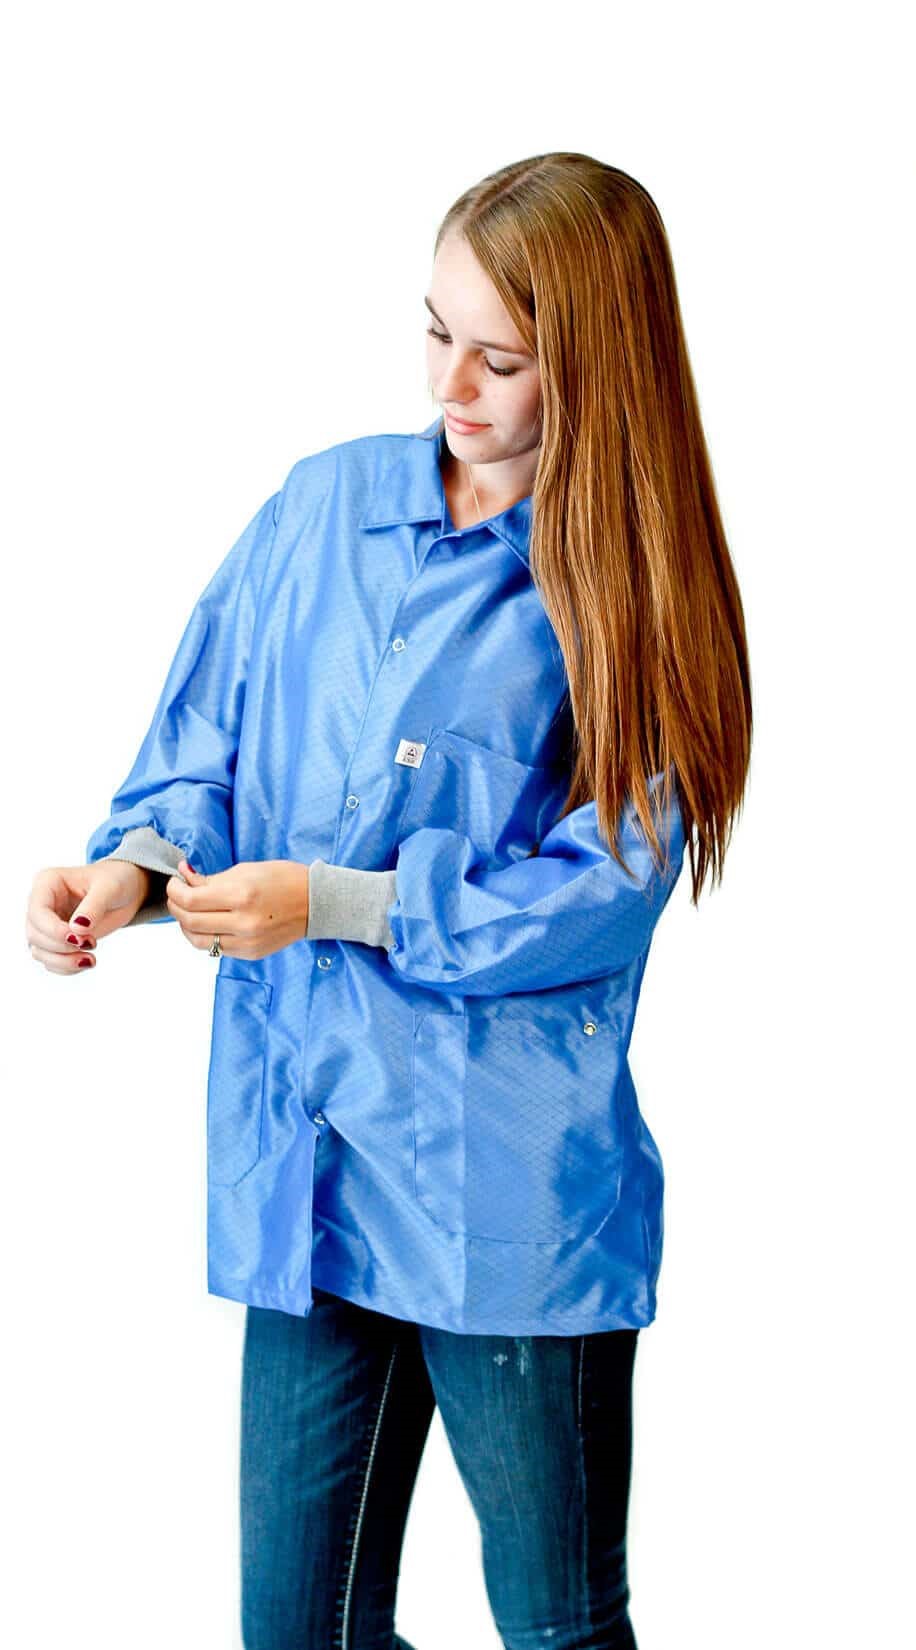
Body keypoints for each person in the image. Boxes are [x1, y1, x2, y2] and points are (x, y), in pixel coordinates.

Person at [26, 152, 752, 1649]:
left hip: (507, 1201)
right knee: (301, 1630)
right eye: (435, 332)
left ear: (599, 365)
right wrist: (128, 873)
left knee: (557, 1627)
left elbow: (602, 895)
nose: (451, 386)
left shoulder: (631, 593)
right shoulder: (322, 509)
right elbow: (203, 748)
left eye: (502, 359)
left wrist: (342, 903)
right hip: (311, 1163)